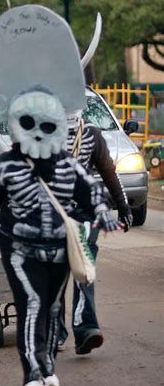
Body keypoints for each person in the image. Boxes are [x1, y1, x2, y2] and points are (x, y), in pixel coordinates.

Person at [0, 5, 121, 386]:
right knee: (30, 305)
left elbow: (91, 192)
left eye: (47, 127)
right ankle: (31, 372)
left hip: (58, 250)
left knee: (49, 308)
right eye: (30, 125)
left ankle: (46, 365)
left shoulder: (67, 165)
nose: (39, 134)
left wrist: (104, 212)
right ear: (16, 125)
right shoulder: (8, 166)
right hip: (20, 248)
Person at [58, 111, 133, 354]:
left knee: (82, 268)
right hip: (53, 214)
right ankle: (64, 330)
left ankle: (84, 329)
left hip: (83, 215)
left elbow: (108, 170)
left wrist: (122, 206)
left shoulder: (90, 133)